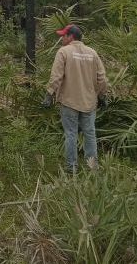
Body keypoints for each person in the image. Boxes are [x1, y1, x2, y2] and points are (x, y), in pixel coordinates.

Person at [42, 24, 108, 173]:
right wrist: (102, 95)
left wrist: (49, 95)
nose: (61, 39)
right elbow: (102, 78)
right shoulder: (92, 53)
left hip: (69, 102)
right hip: (89, 102)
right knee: (90, 134)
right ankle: (92, 168)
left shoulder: (63, 52)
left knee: (71, 134)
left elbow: (56, 76)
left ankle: (71, 168)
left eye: (63, 36)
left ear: (70, 37)